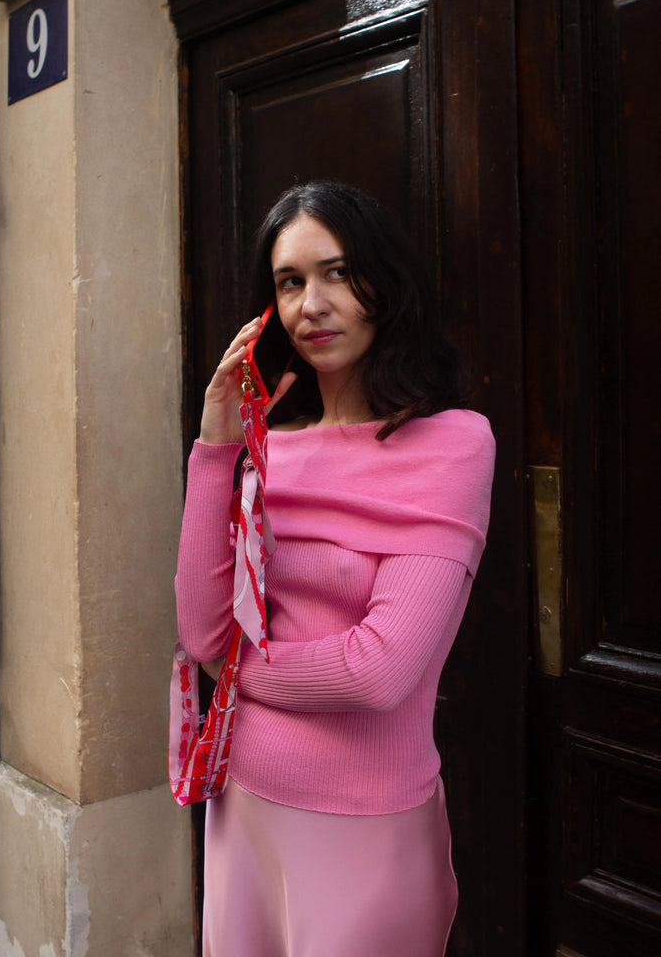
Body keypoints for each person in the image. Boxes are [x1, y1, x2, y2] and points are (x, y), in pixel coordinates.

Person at [175, 181, 495, 957]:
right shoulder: (271, 449)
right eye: (290, 282)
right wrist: (218, 440)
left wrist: (235, 671)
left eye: (337, 273)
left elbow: (375, 671)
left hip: (365, 823)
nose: (311, 303)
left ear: (382, 285)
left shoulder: (452, 444)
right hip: (242, 808)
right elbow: (200, 626)